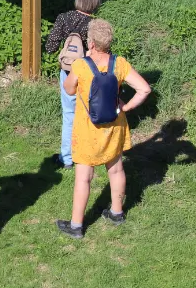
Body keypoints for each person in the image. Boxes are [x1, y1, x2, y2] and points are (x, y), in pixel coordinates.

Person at [55, 19, 151, 239]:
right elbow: (144, 89)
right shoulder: (120, 64)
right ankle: (117, 213)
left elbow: (69, 89)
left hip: (88, 129)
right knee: (116, 170)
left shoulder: (80, 65)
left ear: (91, 43)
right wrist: (125, 107)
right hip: (113, 126)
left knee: (83, 178)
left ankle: (76, 226)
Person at [45, 0, 102, 170]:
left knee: (69, 114)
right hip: (89, 74)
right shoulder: (95, 25)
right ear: (95, 3)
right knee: (89, 114)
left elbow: (50, 47)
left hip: (68, 73)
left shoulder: (64, 18)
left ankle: (67, 158)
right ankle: (89, 154)